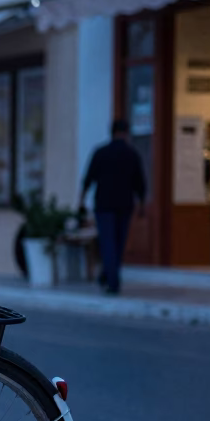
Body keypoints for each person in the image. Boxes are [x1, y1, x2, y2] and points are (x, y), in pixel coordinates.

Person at [81, 119, 146, 295]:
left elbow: (88, 179)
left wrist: (81, 200)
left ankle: (110, 277)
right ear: (126, 133)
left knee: (107, 241)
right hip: (124, 204)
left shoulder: (101, 153)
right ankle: (110, 276)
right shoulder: (131, 154)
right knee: (118, 242)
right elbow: (140, 183)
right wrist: (142, 203)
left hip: (104, 204)